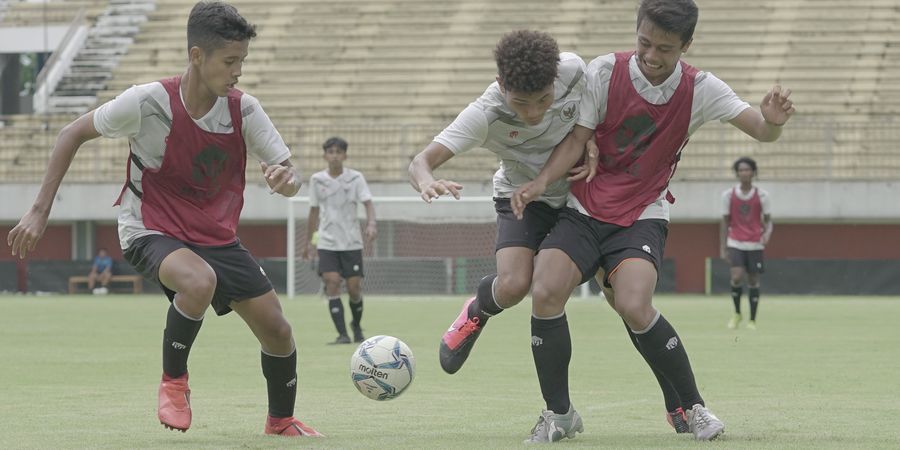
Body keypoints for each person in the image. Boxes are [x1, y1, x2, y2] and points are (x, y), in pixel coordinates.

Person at [6, 1, 321, 438]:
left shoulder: (245, 109)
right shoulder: (147, 101)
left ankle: (280, 422)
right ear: (197, 56)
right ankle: (174, 383)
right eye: (230, 61)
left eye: (242, 61)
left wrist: (287, 180)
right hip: (150, 228)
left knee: (279, 331)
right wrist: (40, 211)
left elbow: (290, 174)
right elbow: (71, 133)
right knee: (198, 281)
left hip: (214, 236)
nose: (238, 72)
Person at [511, 0, 795, 442]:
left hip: (642, 215)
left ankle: (693, 406)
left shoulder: (702, 87)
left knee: (634, 305)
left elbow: (760, 128)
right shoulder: (605, 71)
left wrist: (774, 125)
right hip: (584, 210)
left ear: (686, 45)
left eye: (664, 48)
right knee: (545, 292)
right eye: (644, 42)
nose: (650, 55)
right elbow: (577, 141)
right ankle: (559, 414)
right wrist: (540, 182)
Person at [408, 29, 590, 375]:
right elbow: (420, 162)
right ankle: (477, 310)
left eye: (543, 99)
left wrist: (594, 141)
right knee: (513, 286)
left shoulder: (574, 70)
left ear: (555, 79)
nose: (534, 112)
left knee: (617, 292)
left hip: (578, 194)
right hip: (519, 196)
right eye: (521, 102)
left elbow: (599, 110)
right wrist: (428, 182)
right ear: (501, 84)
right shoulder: (484, 114)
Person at [303, 136, 376, 345]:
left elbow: (368, 203)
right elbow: (314, 211)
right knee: (332, 283)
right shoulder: (317, 180)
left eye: (338, 152)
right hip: (327, 242)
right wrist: (308, 242)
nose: (334, 156)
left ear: (345, 155)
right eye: (331, 152)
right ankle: (342, 334)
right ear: (325, 155)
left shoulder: (356, 178)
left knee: (354, 288)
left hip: (352, 242)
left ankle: (356, 326)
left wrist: (371, 224)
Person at [721, 156, 772, 330]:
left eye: (747, 169)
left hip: (755, 243)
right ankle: (736, 313)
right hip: (735, 241)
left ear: (753, 172)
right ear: (737, 173)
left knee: (753, 279)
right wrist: (723, 246)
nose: (744, 172)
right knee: (736, 276)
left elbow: (768, 220)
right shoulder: (728, 195)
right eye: (741, 170)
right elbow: (725, 221)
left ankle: (752, 319)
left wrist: (767, 234)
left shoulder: (762, 195)